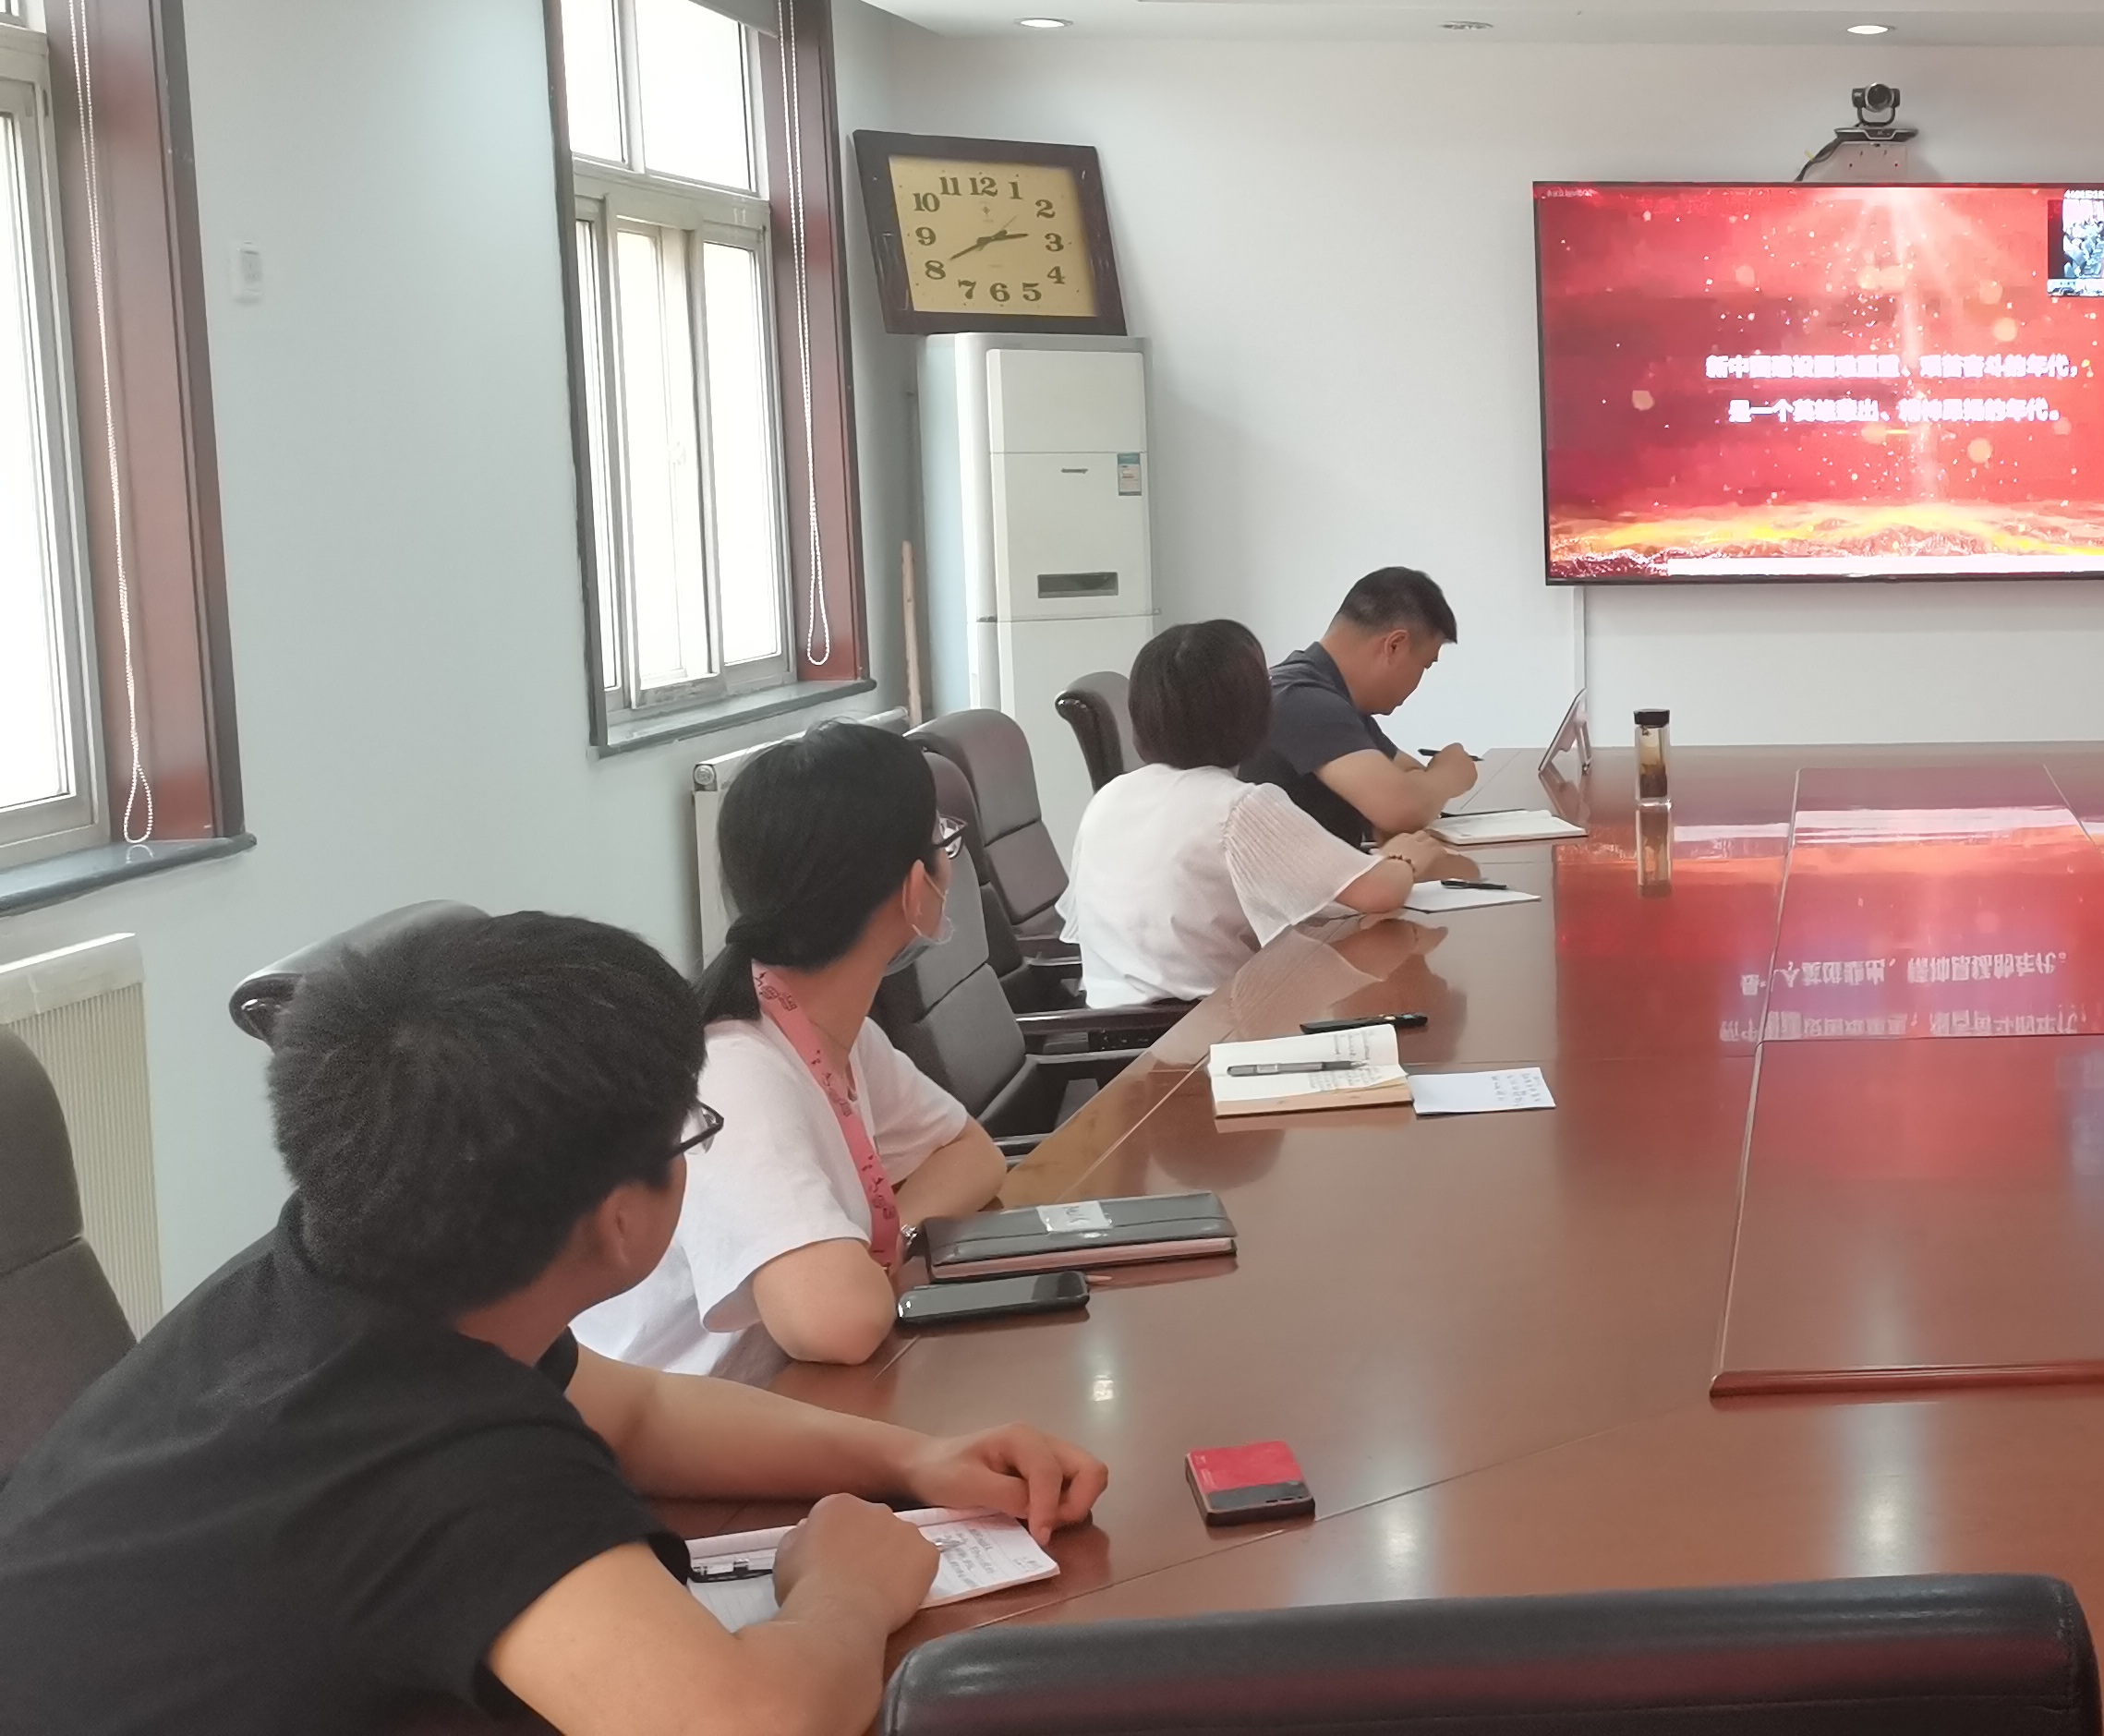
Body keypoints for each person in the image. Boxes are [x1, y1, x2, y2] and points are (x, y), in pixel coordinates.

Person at [0, 911, 1108, 1736]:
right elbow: (746, 1725)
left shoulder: (329, 1277)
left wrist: (913, 1460)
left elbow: (641, 1410)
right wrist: (845, 1591)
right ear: (621, 1217)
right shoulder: (439, 1459)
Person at [574, 722, 1008, 1374]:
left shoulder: (828, 1027)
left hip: (792, 1397)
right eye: (943, 839)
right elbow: (836, 1323)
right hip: (701, 1426)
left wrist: (885, 1243)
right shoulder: (734, 1075)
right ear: (916, 888)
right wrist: (865, 1267)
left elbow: (971, 1155)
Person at [1068, 617, 1457, 1005]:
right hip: (1204, 1026)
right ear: (1253, 712)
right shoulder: (1237, 806)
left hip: (1110, 1023)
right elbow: (1379, 892)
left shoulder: (1109, 796)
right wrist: (1405, 857)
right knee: (1394, 1003)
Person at [1239, 566, 1478, 847]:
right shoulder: (1303, 699)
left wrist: (1414, 797)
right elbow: (1403, 808)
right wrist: (1450, 773)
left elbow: (1409, 777)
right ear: (1394, 645)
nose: (1419, 681)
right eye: (1425, 665)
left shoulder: (1326, 690)